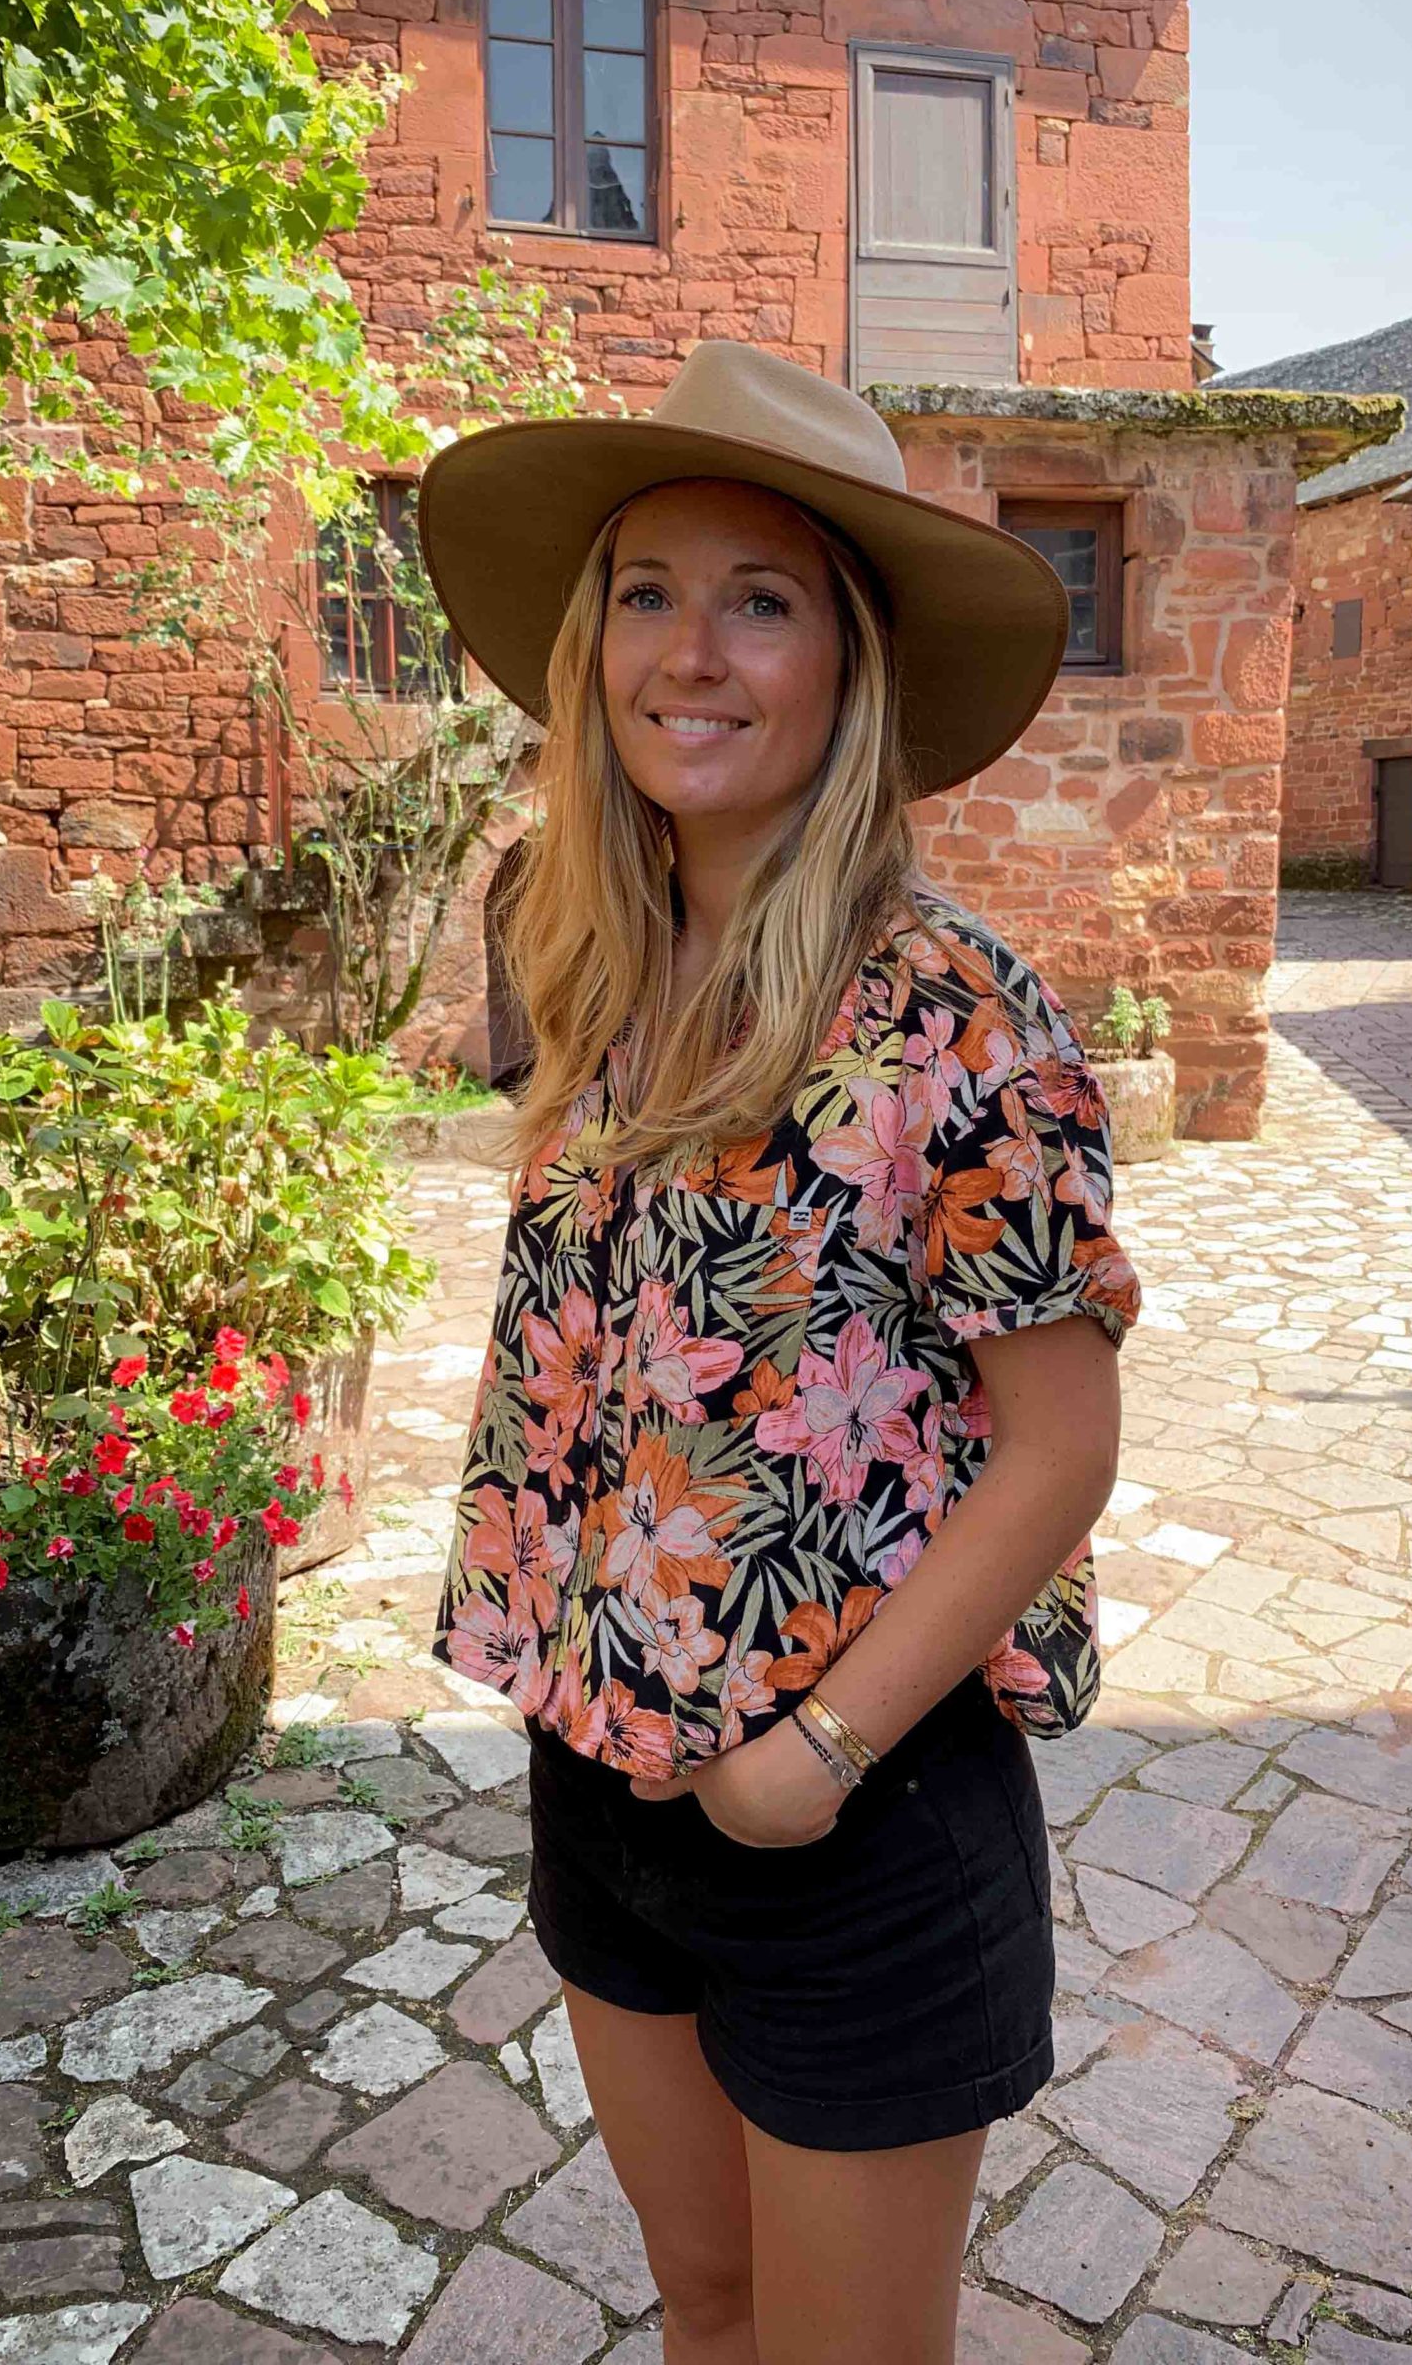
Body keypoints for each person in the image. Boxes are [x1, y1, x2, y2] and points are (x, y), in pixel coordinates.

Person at [418, 342, 1140, 2365]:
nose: (691, 652)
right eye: (648, 591)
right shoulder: (589, 968)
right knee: (708, 2305)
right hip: (603, 1778)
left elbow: (1061, 1447)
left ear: (849, 662)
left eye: (761, 599)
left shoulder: (954, 1011)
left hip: (852, 1811)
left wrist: (809, 1760)